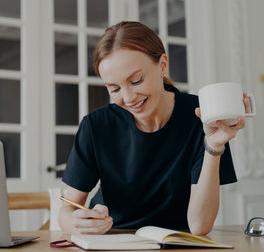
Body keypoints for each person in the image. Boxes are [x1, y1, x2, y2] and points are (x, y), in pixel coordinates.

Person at [58, 21, 248, 235]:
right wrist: (76, 223)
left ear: (163, 65)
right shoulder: (96, 126)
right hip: (110, 240)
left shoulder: (201, 117)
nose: (128, 98)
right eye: (114, 88)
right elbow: (67, 209)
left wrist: (213, 146)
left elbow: (200, 226)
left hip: (175, 243)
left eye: (136, 81)